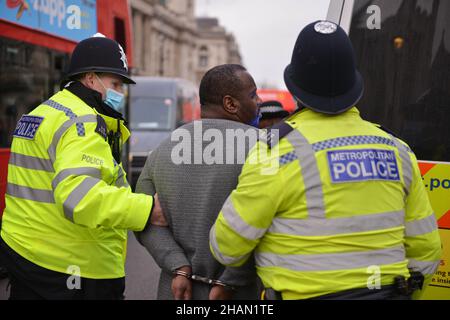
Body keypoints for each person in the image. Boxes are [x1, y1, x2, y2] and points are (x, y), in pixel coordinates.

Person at [209, 21, 442, 300]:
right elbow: (427, 251)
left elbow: (227, 246)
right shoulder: (397, 149)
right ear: (354, 84)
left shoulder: (274, 152)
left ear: (295, 87)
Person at [0, 34, 165, 300]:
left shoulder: (42, 112)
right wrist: (147, 210)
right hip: (70, 267)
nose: (121, 93)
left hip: (24, 254)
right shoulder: (84, 121)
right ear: (91, 79)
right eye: (116, 83)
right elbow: (80, 197)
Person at [135, 64, 261, 300]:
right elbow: (267, 225)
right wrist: (230, 279)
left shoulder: (161, 150)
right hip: (240, 295)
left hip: (178, 291)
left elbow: (143, 218)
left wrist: (178, 265)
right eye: (253, 95)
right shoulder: (265, 148)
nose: (259, 101)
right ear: (230, 104)